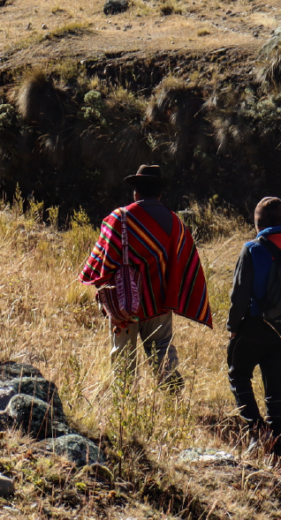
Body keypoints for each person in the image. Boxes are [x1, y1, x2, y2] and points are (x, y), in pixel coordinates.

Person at [79, 164, 212, 387]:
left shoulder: (119, 219)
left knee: (123, 353)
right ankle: (173, 400)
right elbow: (185, 265)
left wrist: (103, 290)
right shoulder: (176, 224)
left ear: (135, 192)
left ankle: (125, 403)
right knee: (162, 350)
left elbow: (103, 262)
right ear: (160, 193)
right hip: (159, 302)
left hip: (124, 304)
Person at [226, 196, 281, 456]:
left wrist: (233, 327)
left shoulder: (252, 248)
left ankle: (258, 432)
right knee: (276, 386)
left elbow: (239, 296)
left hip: (256, 326)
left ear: (258, 223)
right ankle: (277, 439)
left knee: (238, 375)